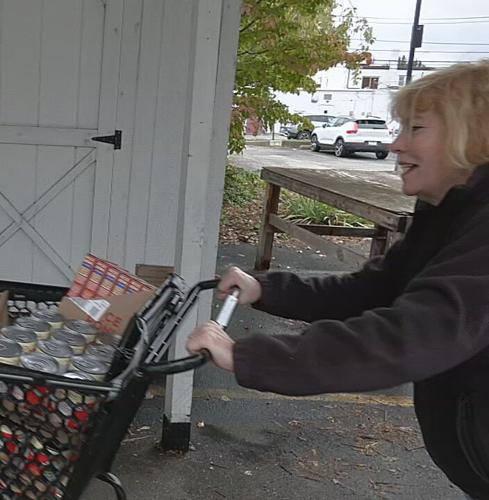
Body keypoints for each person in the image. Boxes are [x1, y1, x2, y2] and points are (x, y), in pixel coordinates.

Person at [187, 60, 489, 499]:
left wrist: (247, 355)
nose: (395, 144)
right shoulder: (448, 212)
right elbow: (373, 289)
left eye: (416, 129)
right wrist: (266, 288)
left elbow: (410, 336)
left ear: (472, 137)